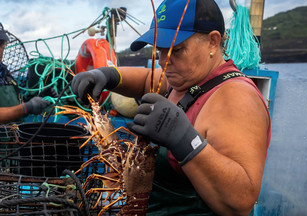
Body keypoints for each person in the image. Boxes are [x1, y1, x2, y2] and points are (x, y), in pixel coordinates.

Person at [71, 0, 271, 215]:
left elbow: (241, 201)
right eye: (160, 52)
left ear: (213, 42)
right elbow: (147, 78)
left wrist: (184, 139)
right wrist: (107, 75)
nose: (164, 61)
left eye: (177, 50)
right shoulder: (186, 77)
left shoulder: (235, 97)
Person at [0, 22, 52, 124]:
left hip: (14, 137)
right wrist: (27, 107)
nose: (1, 49)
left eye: (2, 44)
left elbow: (16, 102)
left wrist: (39, 98)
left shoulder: (5, 75)